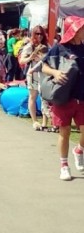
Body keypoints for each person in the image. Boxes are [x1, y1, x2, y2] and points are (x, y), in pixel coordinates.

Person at [41, 16, 84, 181]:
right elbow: (44, 66)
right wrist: (55, 72)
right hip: (63, 97)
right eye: (81, 28)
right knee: (64, 132)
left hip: (82, 96)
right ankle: (64, 165)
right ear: (73, 31)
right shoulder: (59, 48)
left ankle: (79, 150)